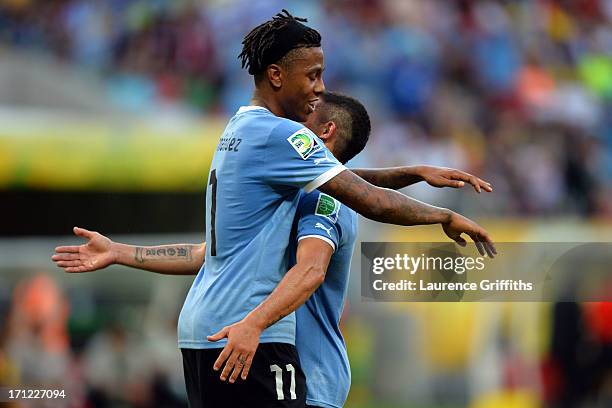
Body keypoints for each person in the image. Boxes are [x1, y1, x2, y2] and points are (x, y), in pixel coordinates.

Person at [57, 9, 495, 407]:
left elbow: (214, 252)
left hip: (201, 331)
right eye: (313, 75)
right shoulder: (286, 138)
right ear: (277, 75)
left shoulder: (239, 129)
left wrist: (121, 252)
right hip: (247, 335)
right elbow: (363, 203)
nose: (319, 86)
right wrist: (443, 214)